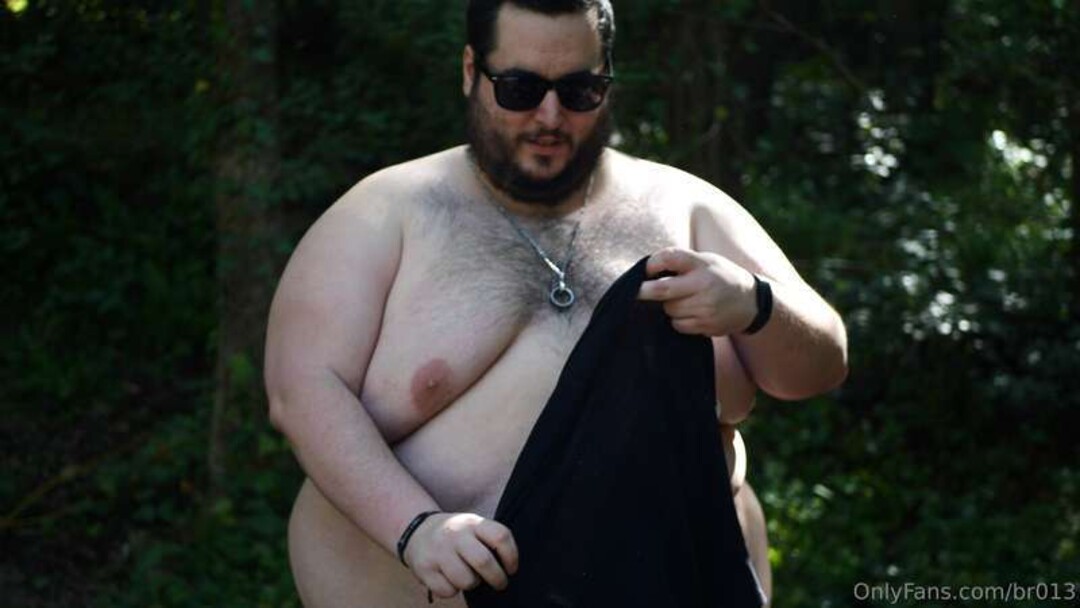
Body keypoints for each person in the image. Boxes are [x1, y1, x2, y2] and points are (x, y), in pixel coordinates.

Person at [264, 1, 847, 606]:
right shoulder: (385, 213)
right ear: (471, 71)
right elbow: (300, 391)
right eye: (520, 89)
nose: (550, 115)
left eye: (579, 90)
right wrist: (416, 527)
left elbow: (823, 363)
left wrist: (755, 302)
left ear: (607, 82)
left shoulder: (687, 207)